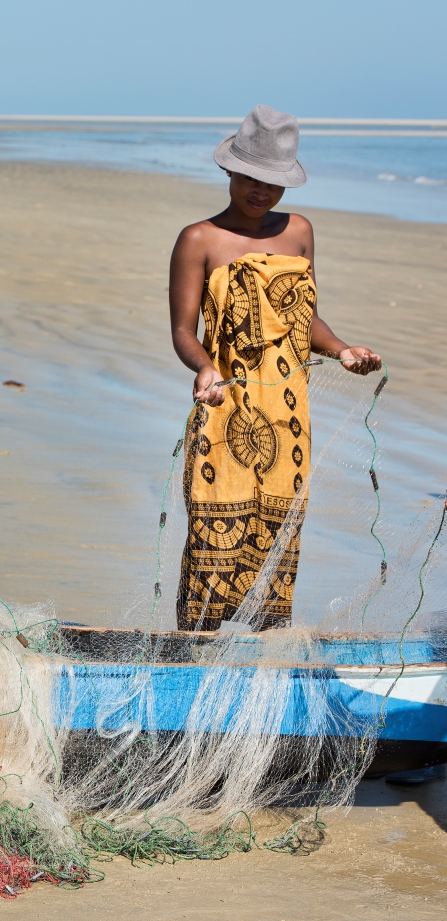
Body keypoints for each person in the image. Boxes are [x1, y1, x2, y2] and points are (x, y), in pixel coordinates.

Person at [169, 106, 381, 631]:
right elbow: (181, 331)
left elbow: (303, 317)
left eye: (275, 183)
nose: (262, 192)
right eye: (252, 179)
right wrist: (205, 369)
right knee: (214, 528)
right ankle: (194, 650)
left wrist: (341, 350)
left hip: (288, 412)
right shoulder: (199, 239)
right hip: (225, 403)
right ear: (230, 173)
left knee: (278, 529)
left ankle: (262, 654)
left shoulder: (300, 233)